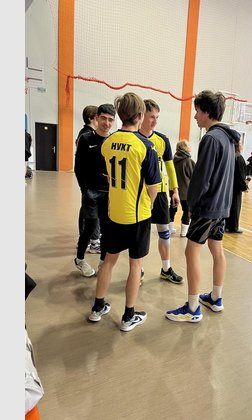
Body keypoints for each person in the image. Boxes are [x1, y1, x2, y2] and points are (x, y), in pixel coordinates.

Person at [88, 92, 161, 332]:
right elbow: (153, 187)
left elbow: (109, 175)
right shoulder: (146, 146)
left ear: (120, 115)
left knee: (108, 261)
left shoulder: (107, 143)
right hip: (137, 215)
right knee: (135, 265)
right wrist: (149, 205)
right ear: (140, 116)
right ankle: (128, 316)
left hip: (113, 213)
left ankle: (98, 307)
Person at [166, 90, 239, 323]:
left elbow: (201, 178)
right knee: (217, 250)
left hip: (207, 207)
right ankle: (216, 298)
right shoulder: (228, 139)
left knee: (191, 251)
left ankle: (192, 307)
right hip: (222, 207)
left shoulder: (211, 138)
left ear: (206, 111)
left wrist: (192, 204)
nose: (195, 116)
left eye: (197, 111)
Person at [138, 99, 183, 285]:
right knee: (141, 235)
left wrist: (175, 190)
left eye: (157, 117)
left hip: (161, 193)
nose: (155, 121)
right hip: (140, 195)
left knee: (164, 232)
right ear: (141, 116)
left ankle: (166, 269)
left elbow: (170, 167)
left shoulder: (162, 140)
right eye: (151, 117)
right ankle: (138, 270)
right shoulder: (134, 138)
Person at [73, 104, 116, 277]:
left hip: (109, 193)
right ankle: (80, 259)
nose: (107, 123)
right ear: (97, 118)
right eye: (103, 118)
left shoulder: (114, 140)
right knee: (90, 227)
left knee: (107, 229)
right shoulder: (86, 139)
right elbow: (78, 168)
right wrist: (85, 190)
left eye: (111, 119)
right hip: (91, 191)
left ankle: (103, 262)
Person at [75, 105, 101, 253]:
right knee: (91, 211)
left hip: (90, 182)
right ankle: (93, 242)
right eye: (99, 117)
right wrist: (84, 187)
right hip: (89, 182)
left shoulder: (86, 133)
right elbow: (80, 164)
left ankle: (87, 239)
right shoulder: (86, 135)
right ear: (92, 118)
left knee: (87, 209)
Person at [172, 139, 195, 237]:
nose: (190, 147)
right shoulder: (189, 161)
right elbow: (194, 176)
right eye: (189, 145)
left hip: (174, 190)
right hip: (186, 192)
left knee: (172, 209)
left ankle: (169, 228)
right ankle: (184, 231)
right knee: (187, 210)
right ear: (185, 148)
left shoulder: (173, 160)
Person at [225, 141, 248, 233]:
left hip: (227, 185)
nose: (242, 146)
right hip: (236, 187)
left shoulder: (229, 156)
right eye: (241, 144)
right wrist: (244, 187)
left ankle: (226, 225)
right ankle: (233, 227)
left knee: (228, 205)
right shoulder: (239, 158)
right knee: (235, 206)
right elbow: (240, 175)